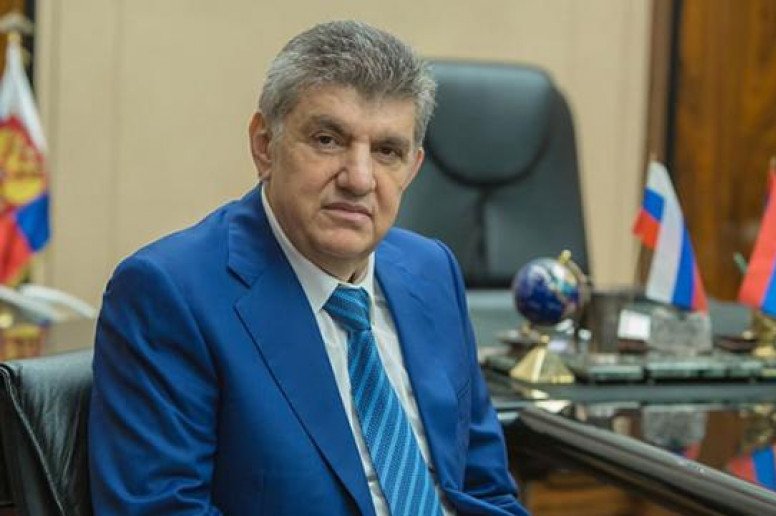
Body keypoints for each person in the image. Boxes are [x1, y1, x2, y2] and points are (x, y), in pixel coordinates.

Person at [89, 20, 529, 516]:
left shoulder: (432, 271)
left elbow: (486, 489)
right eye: (327, 140)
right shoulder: (168, 292)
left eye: (387, 151)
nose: (359, 179)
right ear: (264, 145)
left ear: (413, 167)